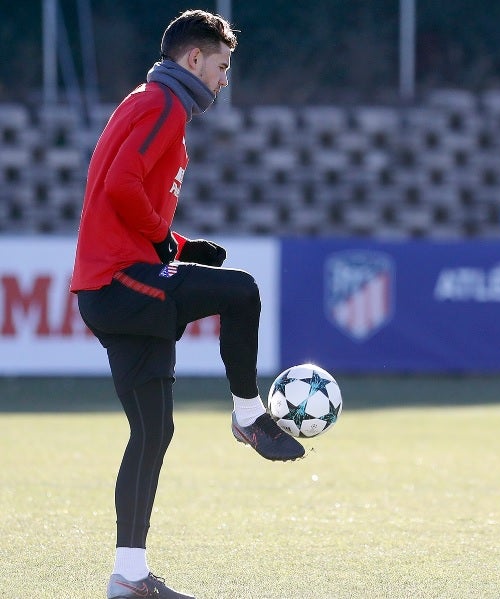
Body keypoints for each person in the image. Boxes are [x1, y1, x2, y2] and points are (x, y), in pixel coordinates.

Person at [70, 10, 305, 599]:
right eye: (222, 66)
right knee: (241, 290)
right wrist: (160, 244)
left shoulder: (147, 101)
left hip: (111, 285)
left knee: (153, 431)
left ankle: (128, 577)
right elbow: (122, 186)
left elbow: (119, 193)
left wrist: (177, 244)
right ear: (193, 60)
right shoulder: (163, 106)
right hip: (121, 283)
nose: (225, 79)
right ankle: (249, 414)